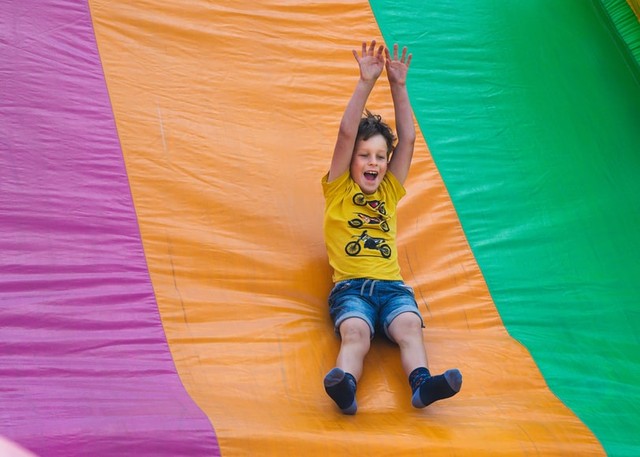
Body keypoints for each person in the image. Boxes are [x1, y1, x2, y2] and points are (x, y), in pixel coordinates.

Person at [322, 40, 462, 415]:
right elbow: (345, 133)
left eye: (381, 157)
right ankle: (345, 386)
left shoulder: (388, 190)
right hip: (351, 288)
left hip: (393, 289)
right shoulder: (338, 189)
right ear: (351, 161)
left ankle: (422, 384)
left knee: (409, 327)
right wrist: (367, 81)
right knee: (356, 333)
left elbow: (410, 140)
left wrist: (399, 86)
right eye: (365, 156)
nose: (373, 162)